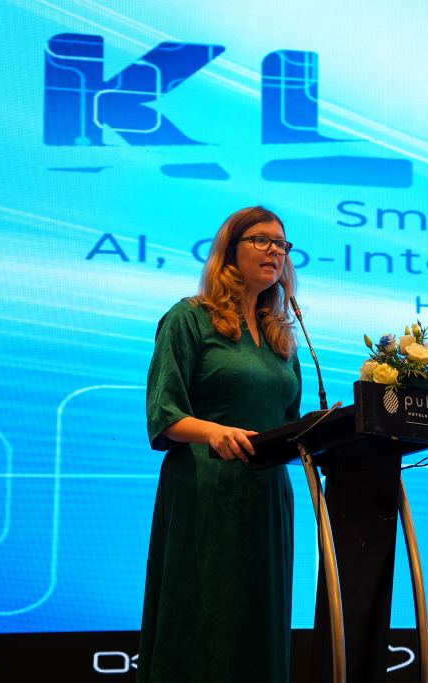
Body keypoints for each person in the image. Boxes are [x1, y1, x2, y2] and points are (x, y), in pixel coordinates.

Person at [137, 206, 302, 683]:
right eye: (262, 240)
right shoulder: (189, 318)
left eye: (281, 244)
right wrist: (213, 431)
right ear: (229, 251)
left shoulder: (280, 337)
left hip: (268, 498)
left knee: (259, 623)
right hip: (205, 492)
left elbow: (289, 426)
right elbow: (164, 413)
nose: (275, 251)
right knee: (204, 619)